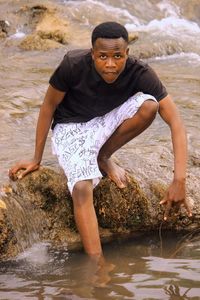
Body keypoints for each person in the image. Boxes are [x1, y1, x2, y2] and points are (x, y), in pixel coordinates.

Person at [9, 21, 192, 259]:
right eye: (102, 56)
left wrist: (179, 180)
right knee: (82, 186)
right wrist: (36, 158)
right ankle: (97, 267)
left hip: (104, 120)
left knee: (149, 105)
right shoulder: (72, 65)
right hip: (70, 127)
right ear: (92, 53)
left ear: (127, 54)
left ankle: (103, 156)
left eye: (118, 56)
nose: (110, 64)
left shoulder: (140, 72)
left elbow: (176, 122)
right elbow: (48, 107)